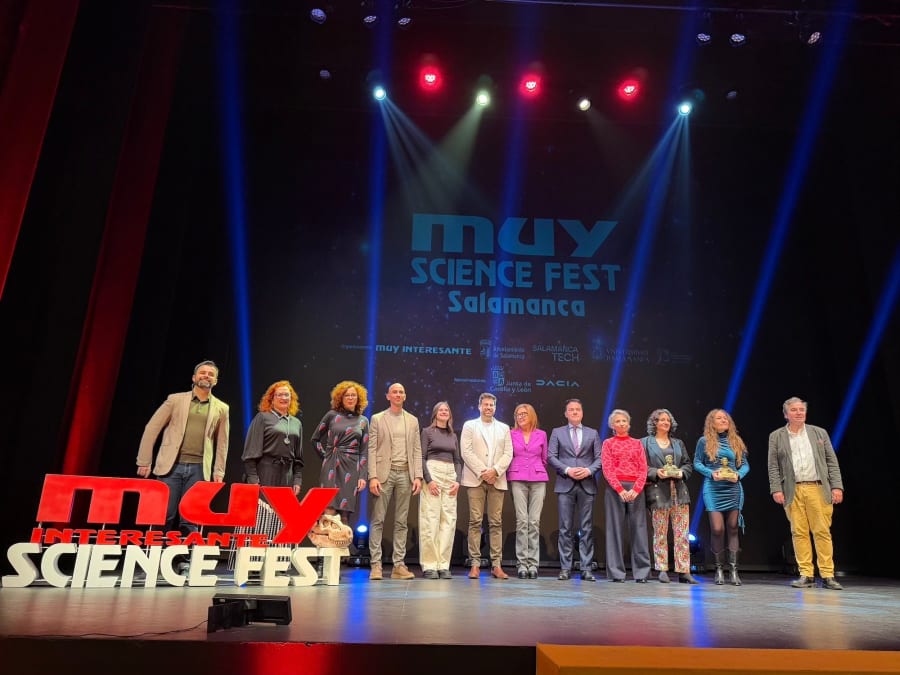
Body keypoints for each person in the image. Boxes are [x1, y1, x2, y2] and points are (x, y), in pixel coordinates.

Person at [136, 360, 229, 572]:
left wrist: (218, 471)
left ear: (215, 380)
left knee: (190, 519)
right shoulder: (175, 400)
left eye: (210, 374)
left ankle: (182, 561)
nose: (206, 376)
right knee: (164, 515)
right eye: (202, 373)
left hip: (198, 469)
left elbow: (222, 442)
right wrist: (144, 461)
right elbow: (152, 428)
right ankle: (152, 561)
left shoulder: (222, 408)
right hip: (171, 466)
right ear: (194, 378)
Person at [768, 397, 845, 590]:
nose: (799, 412)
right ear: (786, 414)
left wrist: (837, 486)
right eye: (794, 410)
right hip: (792, 490)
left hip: (817, 487)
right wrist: (776, 488)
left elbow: (831, 461)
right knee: (799, 532)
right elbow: (773, 466)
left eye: (801, 409)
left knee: (822, 531)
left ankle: (827, 575)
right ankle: (806, 574)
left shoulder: (819, 433)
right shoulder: (776, 436)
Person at [367, 383, 423, 581]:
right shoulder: (377, 419)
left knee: (401, 522)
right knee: (378, 520)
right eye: (394, 392)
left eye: (401, 392)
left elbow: (417, 449)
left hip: (405, 474)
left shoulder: (413, 420)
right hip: (384, 474)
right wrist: (372, 476)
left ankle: (398, 565)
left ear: (405, 396)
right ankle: (376, 565)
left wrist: (418, 476)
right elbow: (371, 448)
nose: (398, 394)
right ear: (388, 396)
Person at [641, 408, 698, 584]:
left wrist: (681, 473)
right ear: (654, 423)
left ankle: (683, 570)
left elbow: (688, 464)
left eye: (668, 420)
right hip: (658, 493)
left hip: (679, 493)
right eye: (662, 420)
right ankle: (662, 569)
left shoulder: (678, 443)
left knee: (682, 533)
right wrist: (657, 472)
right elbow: (641, 466)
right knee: (660, 533)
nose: (666, 422)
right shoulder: (645, 443)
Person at [460, 392, 513, 580]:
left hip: (497, 480)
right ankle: (474, 564)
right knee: (475, 521)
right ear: (479, 406)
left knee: (496, 523)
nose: (488, 407)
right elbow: (466, 451)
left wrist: (495, 471)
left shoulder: (504, 428)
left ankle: (496, 565)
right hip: (476, 479)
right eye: (485, 404)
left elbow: (508, 453)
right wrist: (484, 471)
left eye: (491, 405)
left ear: (495, 407)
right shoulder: (470, 425)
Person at [547, 399, 602, 581]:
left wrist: (588, 470)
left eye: (578, 409)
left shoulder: (592, 433)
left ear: (582, 413)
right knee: (565, 528)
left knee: (586, 528)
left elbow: (599, 458)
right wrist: (568, 470)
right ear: (566, 414)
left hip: (587, 484)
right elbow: (551, 456)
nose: (575, 412)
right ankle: (565, 568)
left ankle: (586, 568)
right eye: (571, 410)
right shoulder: (557, 432)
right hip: (565, 483)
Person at [694, 408, 749, 586]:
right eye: (719, 418)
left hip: (733, 488)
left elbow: (745, 465)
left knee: (733, 527)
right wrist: (711, 474)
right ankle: (718, 569)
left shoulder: (736, 441)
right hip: (713, 489)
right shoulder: (704, 441)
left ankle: (733, 570)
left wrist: (738, 475)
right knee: (717, 529)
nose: (723, 420)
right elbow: (697, 463)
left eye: (725, 418)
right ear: (712, 422)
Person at [601, 409, 651, 583]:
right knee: (614, 530)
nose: (621, 423)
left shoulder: (637, 443)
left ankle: (642, 573)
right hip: (616, 489)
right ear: (612, 425)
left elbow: (643, 468)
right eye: (618, 421)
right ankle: (616, 573)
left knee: (639, 529)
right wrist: (620, 489)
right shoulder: (608, 443)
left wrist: (635, 490)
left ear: (628, 424)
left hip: (636, 488)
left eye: (624, 421)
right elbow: (607, 468)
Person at [311, 380, 370, 527]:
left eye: (353, 395)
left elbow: (364, 451)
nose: (350, 398)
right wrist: (326, 456)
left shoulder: (363, 421)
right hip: (331, 465)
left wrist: (362, 476)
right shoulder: (332, 415)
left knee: (345, 514)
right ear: (340, 398)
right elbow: (315, 439)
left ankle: (341, 547)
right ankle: (326, 546)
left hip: (351, 467)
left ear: (358, 399)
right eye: (347, 395)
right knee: (329, 509)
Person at [419, 401, 462, 579]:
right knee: (430, 519)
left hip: (450, 475)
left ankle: (443, 565)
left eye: (447, 409)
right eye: (441, 409)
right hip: (433, 472)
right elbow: (420, 457)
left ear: (449, 414)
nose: (444, 411)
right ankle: (429, 565)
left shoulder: (453, 435)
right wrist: (429, 480)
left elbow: (458, 460)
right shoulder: (427, 432)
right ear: (435, 413)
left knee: (448, 521)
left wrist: (458, 480)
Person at [508, 403, 549, 579]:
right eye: (518, 414)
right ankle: (522, 564)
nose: (521, 416)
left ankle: (533, 564)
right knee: (522, 521)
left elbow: (545, 458)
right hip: (517, 478)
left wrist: (535, 469)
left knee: (534, 521)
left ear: (531, 415)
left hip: (538, 479)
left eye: (524, 413)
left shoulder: (541, 435)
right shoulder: (511, 434)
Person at [242, 380, 303, 495]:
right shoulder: (263, 418)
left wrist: (297, 479)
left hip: (287, 476)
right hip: (266, 472)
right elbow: (250, 452)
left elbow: (298, 458)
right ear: (272, 399)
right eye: (279, 395)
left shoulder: (296, 423)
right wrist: (253, 479)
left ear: (291, 398)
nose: (283, 398)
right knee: (266, 511)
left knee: (282, 511)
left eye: (287, 395)